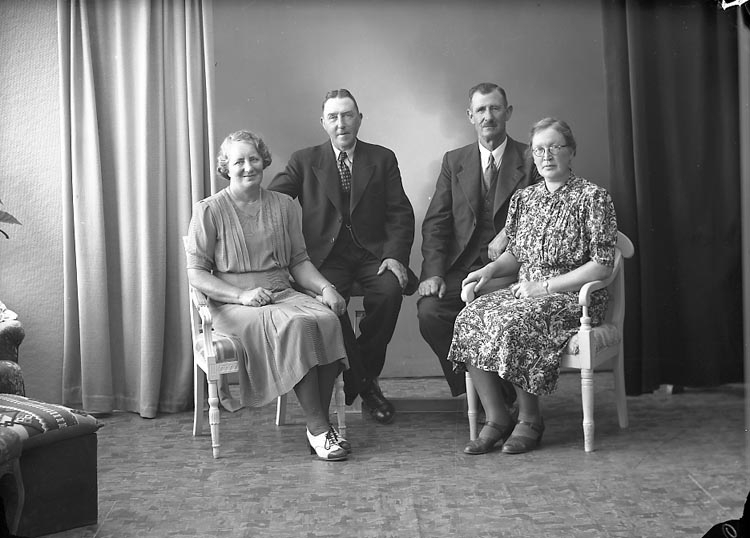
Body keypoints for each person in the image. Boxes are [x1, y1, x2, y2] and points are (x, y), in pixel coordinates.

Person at [447, 117, 618, 455]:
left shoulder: (593, 197)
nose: (546, 156)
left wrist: (546, 287)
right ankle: (497, 418)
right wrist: (489, 270)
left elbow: (602, 264)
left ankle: (530, 420)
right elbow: (515, 254)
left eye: (555, 147)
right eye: (539, 150)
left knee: (517, 322)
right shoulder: (524, 198)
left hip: (575, 297)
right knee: (470, 317)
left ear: (571, 152)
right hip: (527, 292)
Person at [185, 130, 351, 461]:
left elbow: (299, 261)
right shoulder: (209, 210)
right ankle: (320, 427)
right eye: (239, 162)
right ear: (226, 167)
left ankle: (317, 429)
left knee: (326, 319)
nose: (248, 167)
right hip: (233, 305)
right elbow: (197, 274)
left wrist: (325, 288)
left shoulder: (284, 205)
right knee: (297, 325)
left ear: (264, 161)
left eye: (254, 159)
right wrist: (241, 295)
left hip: (281, 292)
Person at [269, 89, 415, 424]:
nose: (341, 123)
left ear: (359, 119)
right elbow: (273, 200)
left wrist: (395, 256)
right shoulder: (304, 160)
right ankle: (365, 385)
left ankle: (360, 374)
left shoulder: (382, 158)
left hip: (372, 254)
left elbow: (400, 213)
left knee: (390, 292)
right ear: (323, 122)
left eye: (347, 115)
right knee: (331, 306)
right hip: (325, 259)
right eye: (333, 117)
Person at [417, 83, 537, 398]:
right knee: (430, 313)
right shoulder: (454, 160)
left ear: (508, 113)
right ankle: (487, 396)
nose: (488, 116)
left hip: (509, 271)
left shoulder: (530, 158)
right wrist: (433, 273)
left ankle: (494, 400)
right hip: (462, 268)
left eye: (495, 108)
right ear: (470, 116)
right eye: (481, 110)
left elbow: (544, 214)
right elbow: (436, 222)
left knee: (494, 318)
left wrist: (508, 232)